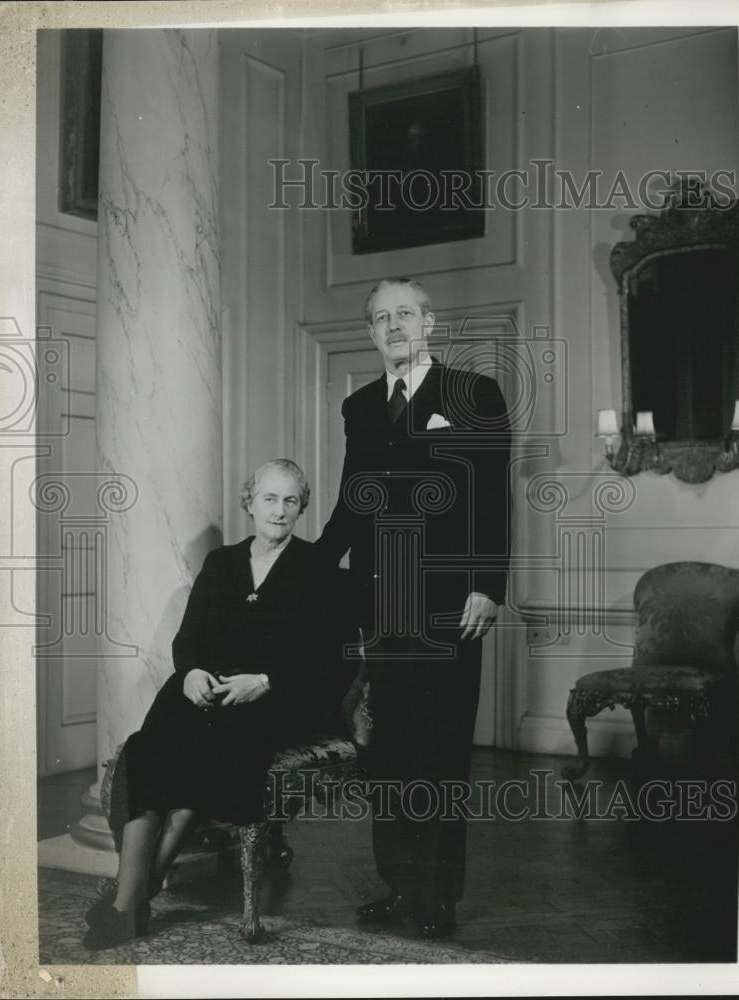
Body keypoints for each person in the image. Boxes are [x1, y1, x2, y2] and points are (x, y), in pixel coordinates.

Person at [83, 459, 356, 950]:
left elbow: (334, 663)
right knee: (146, 750)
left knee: (210, 749)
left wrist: (267, 681)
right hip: (205, 689)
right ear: (249, 502)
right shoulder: (221, 563)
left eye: (290, 500)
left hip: (277, 700)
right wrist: (189, 674)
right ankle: (134, 900)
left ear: (302, 508)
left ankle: (129, 904)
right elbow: (189, 639)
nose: (279, 510)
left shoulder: (318, 568)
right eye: (269, 498)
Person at [316, 278, 511, 938]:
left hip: (450, 603)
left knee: (439, 751)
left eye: (405, 314)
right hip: (380, 601)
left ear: (428, 323)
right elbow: (352, 502)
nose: (394, 326)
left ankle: (436, 899)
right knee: (389, 752)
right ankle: (401, 888)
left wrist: (489, 583)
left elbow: (490, 496)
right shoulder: (362, 406)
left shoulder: (472, 394)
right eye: (381, 318)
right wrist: (302, 567)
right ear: (371, 333)